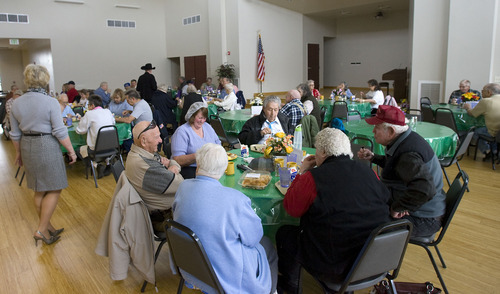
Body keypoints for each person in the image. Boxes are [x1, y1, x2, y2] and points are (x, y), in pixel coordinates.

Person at [276, 128, 391, 293]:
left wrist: (303, 170)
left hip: (336, 265)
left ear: (322, 152)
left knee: (285, 234)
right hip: (375, 257)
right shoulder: (369, 172)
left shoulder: (313, 178)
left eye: (316, 150)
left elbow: (292, 209)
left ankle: (290, 285)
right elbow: (385, 198)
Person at [173, 143, 278, 294]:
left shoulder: (182, 187)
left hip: (191, 267)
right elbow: (253, 239)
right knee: (267, 245)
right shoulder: (235, 199)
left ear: (198, 165)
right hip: (224, 274)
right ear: (223, 170)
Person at [9, 64, 77, 245]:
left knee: (39, 188)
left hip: (27, 145)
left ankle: (47, 227)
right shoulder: (50, 102)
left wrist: (18, 153)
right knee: (55, 187)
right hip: (46, 144)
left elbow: (14, 133)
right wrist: (71, 151)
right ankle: (40, 229)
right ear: (45, 80)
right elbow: (60, 131)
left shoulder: (17, 102)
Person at [357, 105, 446, 237]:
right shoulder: (404, 140)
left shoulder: (408, 154)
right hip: (424, 211)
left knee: (363, 223)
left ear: (391, 131)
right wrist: (374, 157)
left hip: (423, 219)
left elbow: (425, 189)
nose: (373, 131)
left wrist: (398, 207)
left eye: (377, 127)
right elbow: (398, 166)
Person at [125, 120, 184, 229]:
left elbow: (169, 162)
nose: (161, 140)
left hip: (164, 209)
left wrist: (171, 168)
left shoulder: (139, 154)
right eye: (157, 137)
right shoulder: (147, 166)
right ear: (143, 141)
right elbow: (181, 184)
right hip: (166, 217)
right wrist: (174, 166)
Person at [171, 102, 221, 179]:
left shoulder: (208, 127)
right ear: (192, 116)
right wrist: (199, 155)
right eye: (200, 118)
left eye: (204, 118)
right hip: (191, 169)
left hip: (209, 167)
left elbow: (218, 143)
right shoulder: (182, 131)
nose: (202, 121)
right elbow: (177, 160)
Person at [75, 95, 115, 177]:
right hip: (112, 146)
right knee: (99, 145)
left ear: (92, 105)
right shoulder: (108, 111)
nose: (87, 107)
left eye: (88, 105)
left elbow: (80, 130)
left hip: (96, 148)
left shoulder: (89, 114)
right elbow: (113, 123)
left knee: (78, 150)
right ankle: (106, 163)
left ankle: (96, 165)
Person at [462, 83, 500, 160]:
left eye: (483, 91)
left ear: (489, 92)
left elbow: (472, 113)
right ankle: (494, 150)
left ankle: (487, 150)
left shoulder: (486, 101)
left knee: (474, 131)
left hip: (493, 132)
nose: (482, 92)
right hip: (499, 131)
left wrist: (468, 108)